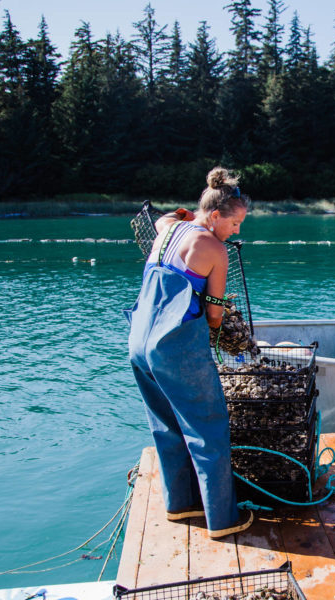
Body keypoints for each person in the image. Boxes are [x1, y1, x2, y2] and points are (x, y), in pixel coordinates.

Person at [127, 167, 253, 539]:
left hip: (138, 342)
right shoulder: (214, 249)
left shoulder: (167, 227)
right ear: (215, 216)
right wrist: (219, 329)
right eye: (235, 222)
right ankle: (223, 520)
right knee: (207, 429)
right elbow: (214, 315)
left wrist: (190, 215)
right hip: (175, 347)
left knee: (166, 427)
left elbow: (172, 215)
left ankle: (181, 504)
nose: (237, 231)